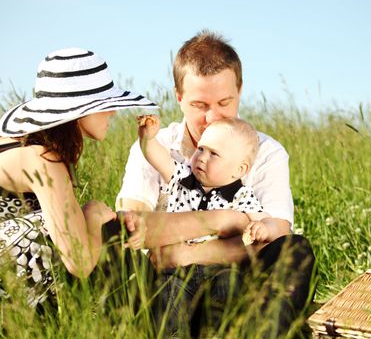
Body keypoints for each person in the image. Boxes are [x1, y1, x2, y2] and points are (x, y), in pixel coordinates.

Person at [116, 30, 315, 336]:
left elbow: (271, 239)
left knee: (295, 251)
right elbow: (133, 227)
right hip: (166, 287)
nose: (212, 117)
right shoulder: (162, 148)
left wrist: (184, 252)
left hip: (233, 286)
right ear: (179, 97)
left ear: (240, 91)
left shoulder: (265, 152)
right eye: (199, 105)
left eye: (224, 102)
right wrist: (223, 220)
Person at [0, 47, 157, 307]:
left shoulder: (21, 144)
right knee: (49, 230)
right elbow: (79, 263)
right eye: (104, 106)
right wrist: (93, 214)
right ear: (80, 110)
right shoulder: (42, 159)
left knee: (85, 230)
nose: (113, 112)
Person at [136, 114, 275, 246]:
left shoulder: (241, 196)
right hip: (171, 259)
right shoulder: (183, 176)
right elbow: (160, 159)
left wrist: (264, 228)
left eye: (214, 154)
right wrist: (147, 139)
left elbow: (265, 220)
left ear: (239, 169)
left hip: (213, 263)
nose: (202, 157)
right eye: (201, 149)